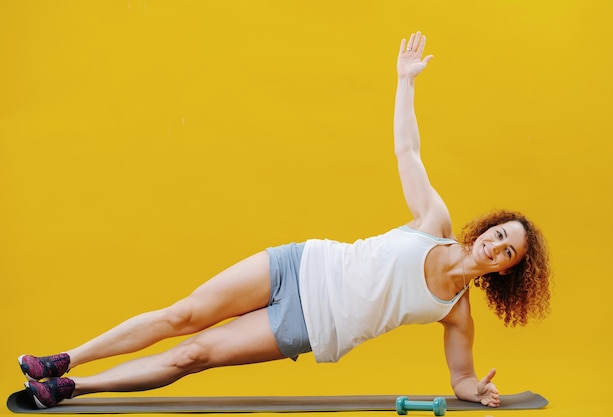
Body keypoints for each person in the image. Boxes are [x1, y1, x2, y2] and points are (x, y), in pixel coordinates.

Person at [18, 31, 551, 409]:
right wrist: (405, 82)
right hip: (299, 263)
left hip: (311, 325)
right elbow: (408, 153)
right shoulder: (434, 220)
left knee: (193, 353)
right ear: (486, 228)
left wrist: (476, 391)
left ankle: (76, 388)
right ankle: (62, 360)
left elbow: (459, 376)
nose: (496, 246)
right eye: (499, 234)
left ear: (506, 272)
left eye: (508, 252)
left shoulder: (456, 313)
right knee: (183, 314)